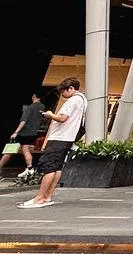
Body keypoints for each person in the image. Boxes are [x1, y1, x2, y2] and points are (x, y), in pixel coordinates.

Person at [19, 78, 86, 208]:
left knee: (49, 167)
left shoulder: (72, 101)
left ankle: (39, 198)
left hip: (59, 138)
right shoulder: (83, 100)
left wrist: (50, 114)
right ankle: (47, 196)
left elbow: (62, 118)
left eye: (63, 92)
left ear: (71, 89)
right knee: (57, 167)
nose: (62, 95)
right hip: (68, 138)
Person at [0, 93, 45, 177]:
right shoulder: (42, 107)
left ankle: (0, 168)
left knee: (9, 151)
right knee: (26, 150)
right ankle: (30, 168)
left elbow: (23, 120)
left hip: (23, 133)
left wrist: (16, 132)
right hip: (33, 133)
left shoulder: (30, 108)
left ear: (33, 97)